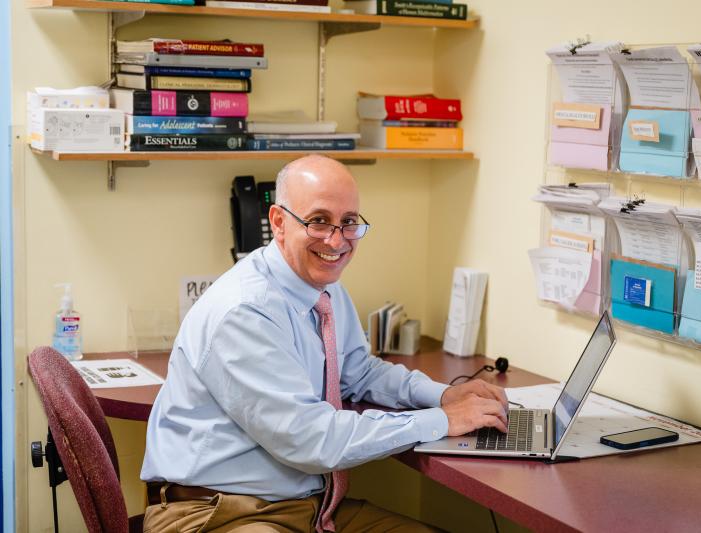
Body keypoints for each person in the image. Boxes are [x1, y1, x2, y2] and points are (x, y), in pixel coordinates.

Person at [141, 154, 509, 532]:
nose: (336, 240)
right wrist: (439, 422)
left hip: (307, 508)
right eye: (318, 221)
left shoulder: (322, 288)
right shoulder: (245, 312)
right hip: (216, 514)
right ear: (279, 222)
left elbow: (358, 372)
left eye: (348, 223)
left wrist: (442, 396)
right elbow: (311, 440)